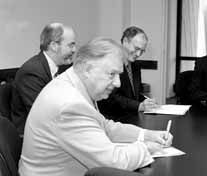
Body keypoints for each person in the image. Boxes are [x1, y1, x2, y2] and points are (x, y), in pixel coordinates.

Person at [18, 38, 173, 176]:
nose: (118, 83)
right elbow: (114, 162)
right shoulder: (70, 104)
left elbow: (105, 127)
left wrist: (147, 135)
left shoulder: (75, 84)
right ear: (88, 69)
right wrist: (147, 148)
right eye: (111, 74)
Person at [11, 23, 76, 135]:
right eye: (71, 45)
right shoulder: (31, 72)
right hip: (35, 137)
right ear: (54, 46)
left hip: (55, 130)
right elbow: (44, 115)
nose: (75, 50)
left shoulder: (62, 69)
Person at [98, 26, 157, 120]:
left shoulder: (135, 67)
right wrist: (139, 106)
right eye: (136, 48)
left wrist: (147, 102)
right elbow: (111, 97)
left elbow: (134, 95)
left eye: (142, 51)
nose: (138, 54)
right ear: (125, 41)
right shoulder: (109, 62)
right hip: (112, 119)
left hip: (131, 118)